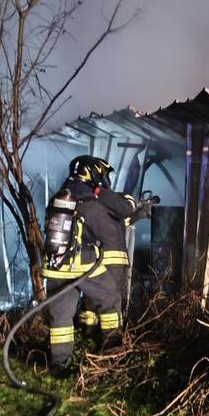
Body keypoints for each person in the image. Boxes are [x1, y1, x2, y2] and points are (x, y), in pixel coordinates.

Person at [42, 156, 136, 371]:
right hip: (82, 265)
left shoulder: (59, 198)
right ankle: (113, 351)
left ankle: (60, 365)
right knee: (110, 300)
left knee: (61, 317)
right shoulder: (88, 201)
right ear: (92, 173)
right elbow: (106, 233)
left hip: (55, 267)